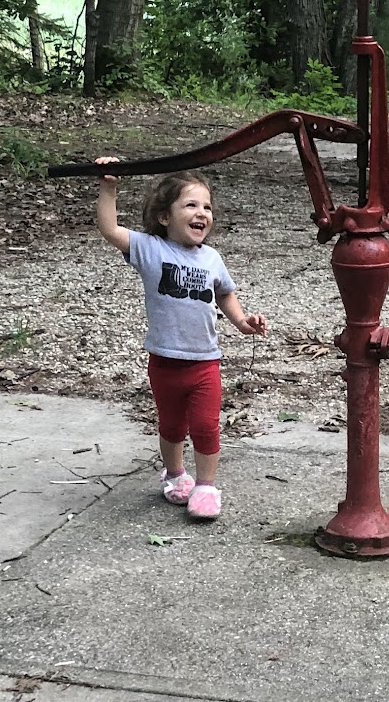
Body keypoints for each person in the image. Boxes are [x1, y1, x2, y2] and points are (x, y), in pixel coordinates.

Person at [92, 163, 268, 521]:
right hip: (165, 362)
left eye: (207, 207)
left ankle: (206, 486)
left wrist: (242, 320)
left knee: (206, 425)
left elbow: (226, 294)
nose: (201, 213)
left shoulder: (212, 258)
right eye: (190, 205)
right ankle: (174, 475)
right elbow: (109, 229)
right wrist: (109, 187)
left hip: (205, 361)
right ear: (163, 216)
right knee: (172, 426)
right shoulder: (150, 249)